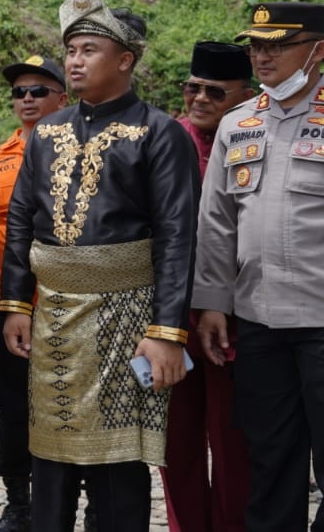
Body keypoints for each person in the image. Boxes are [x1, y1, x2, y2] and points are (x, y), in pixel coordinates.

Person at [0, 0, 199, 532]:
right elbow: (21, 221)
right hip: (56, 314)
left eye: (88, 50)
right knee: (52, 451)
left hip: (128, 314)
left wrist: (166, 331)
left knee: (117, 462)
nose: (75, 61)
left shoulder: (160, 135)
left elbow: (179, 236)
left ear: (125, 60)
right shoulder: (47, 133)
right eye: (71, 50)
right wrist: (16, 302)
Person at [193, 2, 324, 531]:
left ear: (317, 50)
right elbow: (216, 224)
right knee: (270, 459)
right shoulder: (236, 124)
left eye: (277, 45)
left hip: (321, 321)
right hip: (260, 321)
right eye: (256, 45)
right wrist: (211, 304)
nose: (262, 56)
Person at [159, 42, 254, 532]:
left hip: (237, 315)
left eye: (214, 93)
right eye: (191, 88)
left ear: (244, 97)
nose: (198, 99)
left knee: (235, 435)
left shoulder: (258, 141)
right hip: (169, 316)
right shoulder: (164, 140)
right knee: (175, 439)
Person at [0, 55, 69, 532]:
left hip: (71, 304)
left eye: (38, 90)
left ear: (63, 98)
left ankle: (84, 505)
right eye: (20, 92)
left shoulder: (83, 151)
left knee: (72, 403)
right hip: (8, 306)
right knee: (14, 406)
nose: (27, 99)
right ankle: (18, 503)